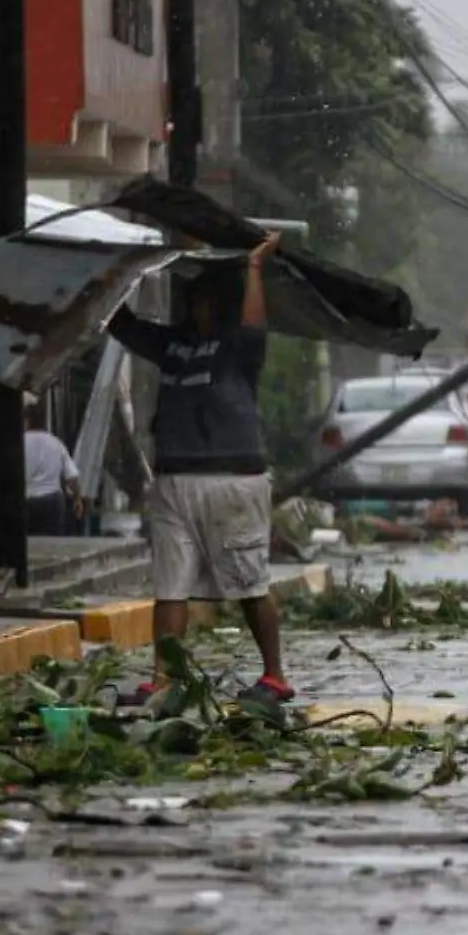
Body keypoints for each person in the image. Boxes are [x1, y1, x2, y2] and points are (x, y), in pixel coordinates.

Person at [107, 232, 293, 707]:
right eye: (193, 300)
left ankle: (274, 676)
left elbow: (255, 326)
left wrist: (253, 269)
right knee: (170, 586)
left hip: (233, 484)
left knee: (249, 582)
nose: (197, 308)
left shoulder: (239, 349)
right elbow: (122, 325)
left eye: (207, 300)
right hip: (173, 482)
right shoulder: (174, 347)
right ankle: (163, 678)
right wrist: (112, 273)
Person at [23, 404, 83, 536]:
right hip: (52, 502)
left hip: (26, 501)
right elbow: (71, 477)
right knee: (52, 543)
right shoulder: (55, 443)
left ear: (27, 420)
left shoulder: (19, 443)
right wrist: (77, 499)